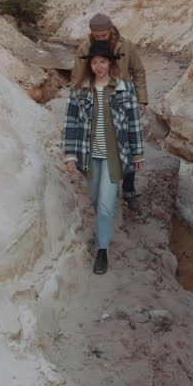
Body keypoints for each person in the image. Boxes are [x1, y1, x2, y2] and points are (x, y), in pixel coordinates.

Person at [63, 39, 145, 274]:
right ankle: (102, 229)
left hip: (114, 156)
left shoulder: (124, 88)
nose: (99, 67)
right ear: (89, 65)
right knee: (95, 198)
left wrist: (137, 155)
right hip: (88, 156)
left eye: (103, 62)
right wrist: (70, 155)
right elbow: (70, 123)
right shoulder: (79, 90)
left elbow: (134, 122)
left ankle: (102, 250)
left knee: (106, 204)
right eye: (94, 63)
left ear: (110, 63)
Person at [70, 13, 148, 212]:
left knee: (127, 143)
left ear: (111, 29)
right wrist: (79, 103)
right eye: (96, 36)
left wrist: (141, 100)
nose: (100, 39)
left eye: (104, 35)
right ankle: (101, 189)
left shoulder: (126, 45)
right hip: (97, 101)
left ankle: (129, 190)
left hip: (123, 100)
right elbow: (77, 77)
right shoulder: (85, 48)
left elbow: (138, 71)